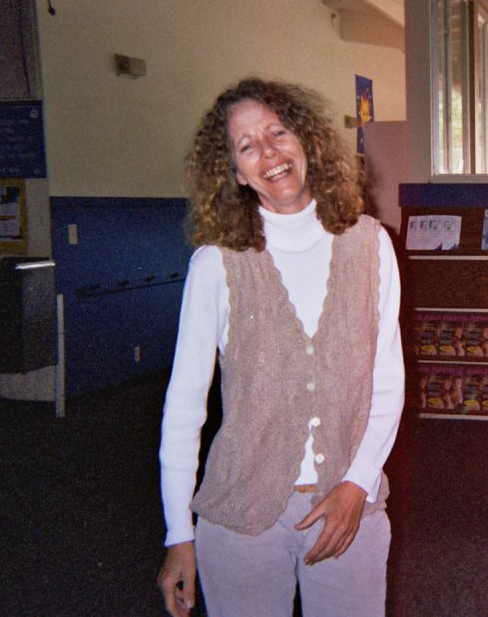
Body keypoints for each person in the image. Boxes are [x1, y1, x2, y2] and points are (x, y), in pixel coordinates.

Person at [156, 77, 405, 617]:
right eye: (247, 146)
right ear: (234, 172)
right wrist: (179, 534)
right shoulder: (216, 264)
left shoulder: (370, 245)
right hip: (240, 518)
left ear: (306, 140)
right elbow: (183, 408)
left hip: (349, 510)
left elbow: (386, 385)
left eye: (277, 132)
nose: (267, 152)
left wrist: (356, 485)